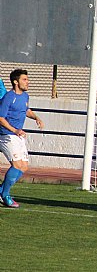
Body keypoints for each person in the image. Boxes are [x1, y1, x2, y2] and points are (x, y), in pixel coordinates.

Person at [0, 69, 44, 208]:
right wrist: (14, 130)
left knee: (24, 167)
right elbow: (1, 118)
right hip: (7, 135)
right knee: (17, 165)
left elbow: (26, 110)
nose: (27, 82)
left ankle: (1, 191)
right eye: (24, 79)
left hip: (17, 135)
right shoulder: (8, 97)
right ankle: (5, 195)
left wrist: (36, 117)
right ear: (15, 82)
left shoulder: (25, 96)